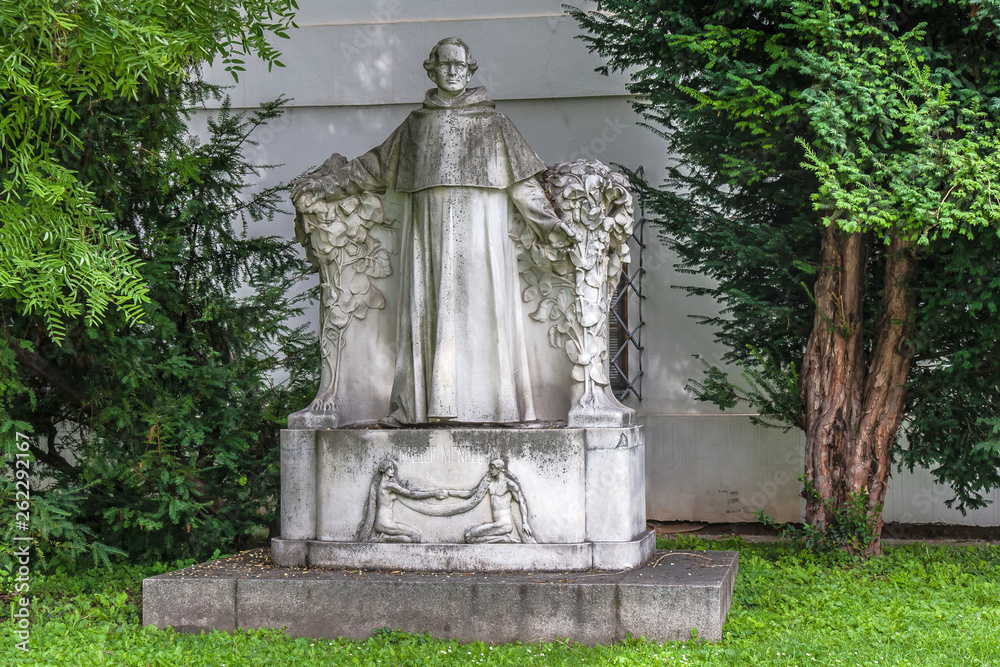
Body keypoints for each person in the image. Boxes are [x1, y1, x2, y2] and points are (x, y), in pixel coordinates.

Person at [291, 37, 575, 425]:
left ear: (470, 69)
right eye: (445, 65)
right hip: (428, 233)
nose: (454, 72)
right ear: (432, 69)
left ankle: (490, 407)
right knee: (429, 314)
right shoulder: (415, 126)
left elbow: (523, 185)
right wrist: (328, 186)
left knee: (481, 314)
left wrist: (550, 226)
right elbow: (373, 166)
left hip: (480, 236)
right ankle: (426, 406)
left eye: (460, 65)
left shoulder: (494, 125)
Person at [355, 460, 448, 543]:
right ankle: (384, 538)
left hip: (386, 522)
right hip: (384, 522)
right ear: (385, 471)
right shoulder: (388, 485)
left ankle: (385, 537)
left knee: (415, 536)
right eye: (390, 468)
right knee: (416, 536)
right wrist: (434, 493)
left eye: (392, 468)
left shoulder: (382, 484)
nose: (393, 470)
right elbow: (411, 494)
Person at [446, 459, 534, 543]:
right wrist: (450, 493)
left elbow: (521, 501)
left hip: (504, 524)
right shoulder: (491, 484)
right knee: (469, 538)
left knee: (469, 536)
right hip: (497, 524)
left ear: (499, 469)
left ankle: (504, 538)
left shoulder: (509, 484)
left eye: (492, 469)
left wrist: (525, 523)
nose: (490, 471)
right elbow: (470, 494)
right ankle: (503, 538)